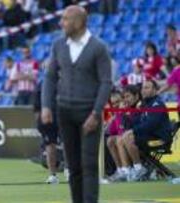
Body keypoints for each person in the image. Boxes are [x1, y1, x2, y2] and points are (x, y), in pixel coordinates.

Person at [42, 5, 112, 203]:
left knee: (89, 163)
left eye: (65, 19)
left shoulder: (98, 48)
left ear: (79, 22)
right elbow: (50, 77)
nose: (61, 23)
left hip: (89, 112)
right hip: (65, 111)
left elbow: (106, 82)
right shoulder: (58, 45)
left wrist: (96, 113)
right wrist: (47, 105)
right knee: (73, 166)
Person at [120, 80, 172, 181]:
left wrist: (132, 131)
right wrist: (126, 115)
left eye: (147, 88)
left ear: (155, 90)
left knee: (129, 137)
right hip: (150, 136)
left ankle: (139, 169)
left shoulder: (157, 104)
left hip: (160, 140)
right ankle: (127, 169)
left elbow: (150, 125)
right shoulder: (147, 104)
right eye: (143, 88)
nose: (143, 90)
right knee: (123, 137)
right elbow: (139, 123)